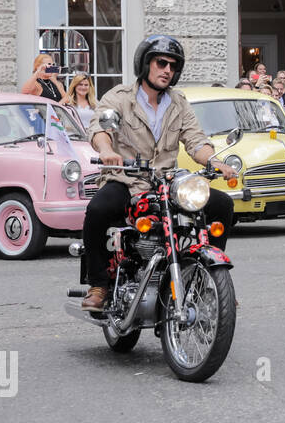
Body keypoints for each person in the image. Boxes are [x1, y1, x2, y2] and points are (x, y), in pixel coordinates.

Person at [79, 36, 237, 311]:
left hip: (166, 183)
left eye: (173, 66)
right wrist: (106, 150)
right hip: (126, 179)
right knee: (98, 209)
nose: (167, 70)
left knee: (222, 204)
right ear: (145, 63)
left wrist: (214, 161)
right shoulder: (119, 97)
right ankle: (99, 284)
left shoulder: (178, 102)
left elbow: (195, 139)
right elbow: (101, 128)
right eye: (161, 62)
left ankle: (209, 279)